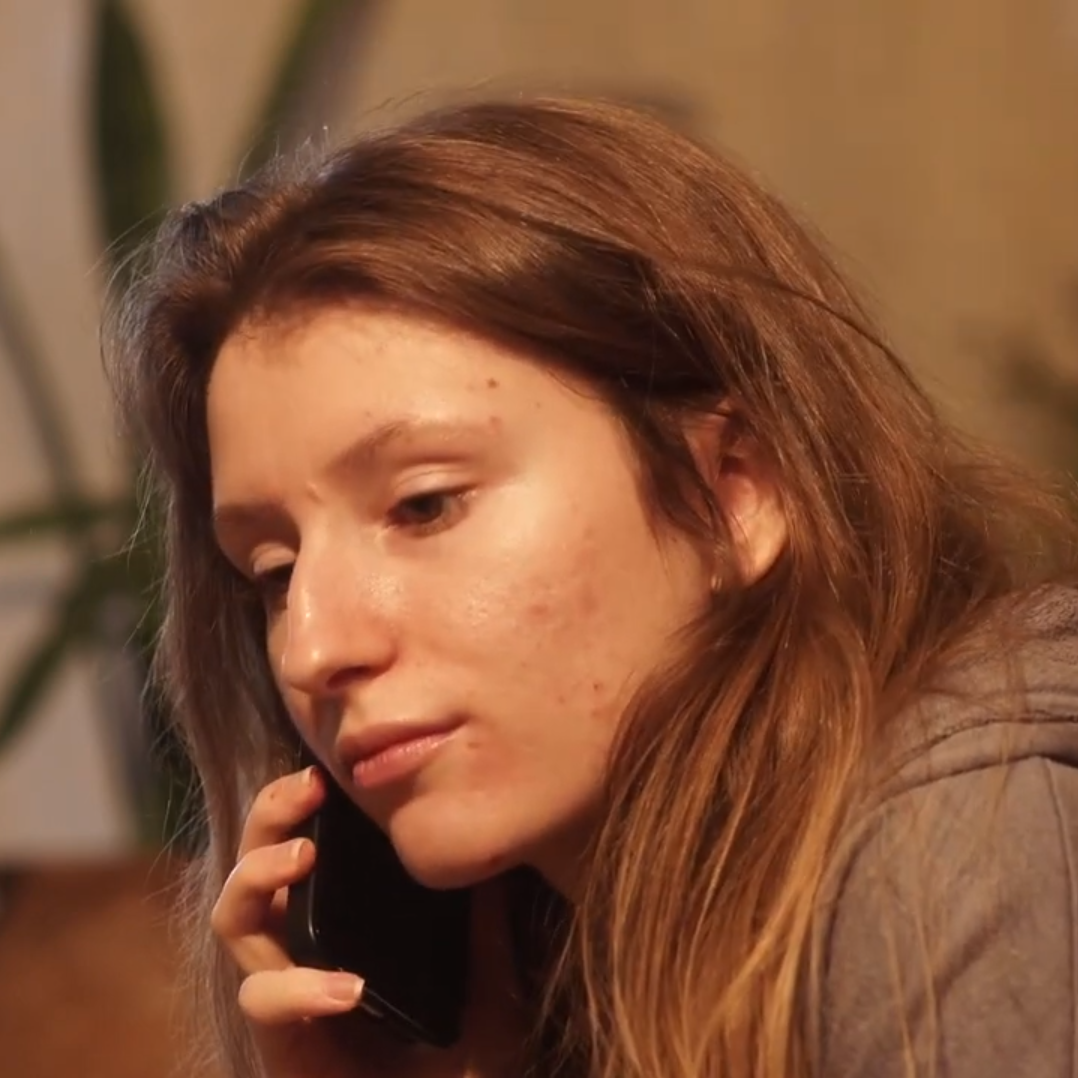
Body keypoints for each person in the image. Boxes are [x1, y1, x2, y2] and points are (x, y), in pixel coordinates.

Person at [106, 95, 1078, 1078]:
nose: (315, 649)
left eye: (425, 506)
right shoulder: (549, 973)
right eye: (274, 574)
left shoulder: (960, 849)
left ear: (734, 492)